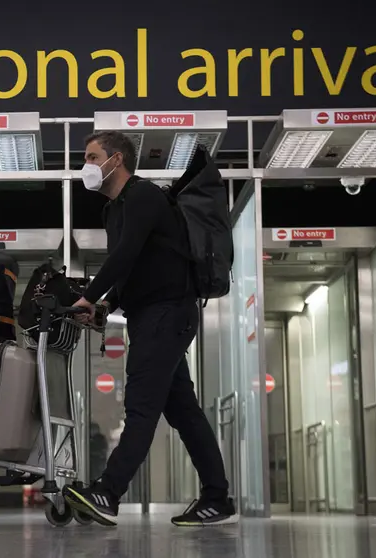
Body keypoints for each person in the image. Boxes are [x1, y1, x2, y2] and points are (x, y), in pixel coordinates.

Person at [62, 131, 237, 527]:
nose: (86, 165)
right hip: (149, 316)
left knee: (141, 404)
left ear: (116, 160)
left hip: (168, 313)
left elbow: (125, 254)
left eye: (92, 157)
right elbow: (134, 269)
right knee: (183, 411)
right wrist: (106, 305)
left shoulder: (144, 196)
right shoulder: (113, 210)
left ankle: (108, 491)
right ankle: (217, 498)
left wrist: (88, 296)